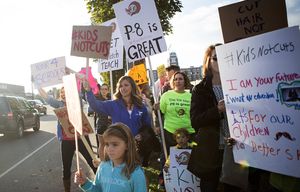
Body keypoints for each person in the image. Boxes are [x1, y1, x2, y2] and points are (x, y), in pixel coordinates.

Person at [187, 44, 244, 192]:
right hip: (213, 149)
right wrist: (216, 110)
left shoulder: (239, 84)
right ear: (208, 62)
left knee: (233, 186)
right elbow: (195, 121)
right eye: (216, 58)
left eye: (225, 57)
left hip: (236, 146)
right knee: (210, 186)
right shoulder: (200, 89)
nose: (220, 61)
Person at [38, 87, 97, 192]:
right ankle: (67, 189)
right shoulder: (59, 104)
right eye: (62, 92)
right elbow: (47, 98)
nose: (65, 94)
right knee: (66, 167)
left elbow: (81, 92)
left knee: (92, 161)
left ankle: (100, 185)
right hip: (66, 141)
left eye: (67, 91)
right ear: (61, 95)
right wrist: (37, 84)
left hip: (81, 138)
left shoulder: (77, 101)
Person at [82, 76, 152, 160]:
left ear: (132, 87)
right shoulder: (113, 105)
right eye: (121, 86)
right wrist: (88, 91)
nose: (123, 88)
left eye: (126, 85)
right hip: (118, 148)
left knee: (134, 170)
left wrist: (142, 135)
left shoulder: (140, 106)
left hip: (135, 147)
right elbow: (95, 105)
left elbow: (147, 126)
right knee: (120, 171)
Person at [74, 123, 147, 192]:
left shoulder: (136, 173)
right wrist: (85, 183)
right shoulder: (103, 167)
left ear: (127, 145)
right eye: (107, 144)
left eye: (115, 144)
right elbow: (98, 189)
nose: (109, 148)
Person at [160, 71, 195, 153]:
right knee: (171, 161)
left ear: (185, 81)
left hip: (188, 133)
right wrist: (156, 108)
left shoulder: (192, 96)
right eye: (175, 79)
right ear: (172, 82)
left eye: (180, 79)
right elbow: (161, 112)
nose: (178, 81)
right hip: (171, 133)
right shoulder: (166, 95)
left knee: (189, 161)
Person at [94, 83, 111, 157]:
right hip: (101, 124)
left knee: (110, 143)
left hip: (111, 125)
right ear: (100, 90)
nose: (104, 91)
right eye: (102, 89)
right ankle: (102, 162)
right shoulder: (98, 100)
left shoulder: (111, 99)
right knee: (102, 144)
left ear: (108, 90)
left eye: (105, 89)